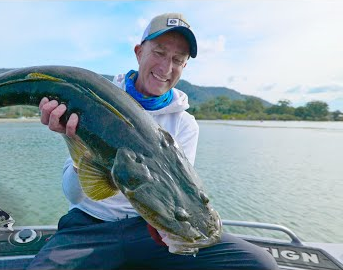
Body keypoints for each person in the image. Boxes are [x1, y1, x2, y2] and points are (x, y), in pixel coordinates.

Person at [28, 13, 278, 270]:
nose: (165, 68)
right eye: (159, 53)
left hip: (148, 228)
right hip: (89, 226)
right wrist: (72, 140)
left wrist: (173, 232)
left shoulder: (185, 124)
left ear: (184, 67)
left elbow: (175, 200)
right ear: (139, 52)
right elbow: (74, 194)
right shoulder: (93, 102)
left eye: (177, 60)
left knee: (259, 264)